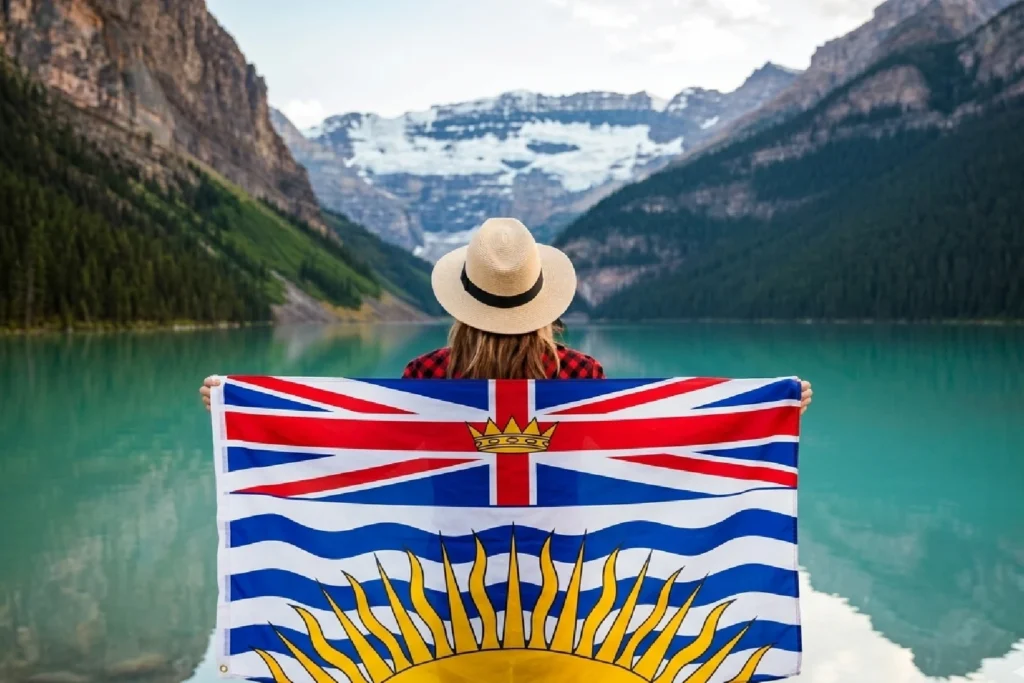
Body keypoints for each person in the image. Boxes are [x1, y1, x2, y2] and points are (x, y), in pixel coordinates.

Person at [200, 218, 812, 409]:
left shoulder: (424, 374)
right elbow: (665, 431)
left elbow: (348, 431)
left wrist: (236, 407)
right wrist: (774, 408)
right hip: (560, 564)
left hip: (447, 560)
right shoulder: (582, 376)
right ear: (544, 304)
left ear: (462, 304)